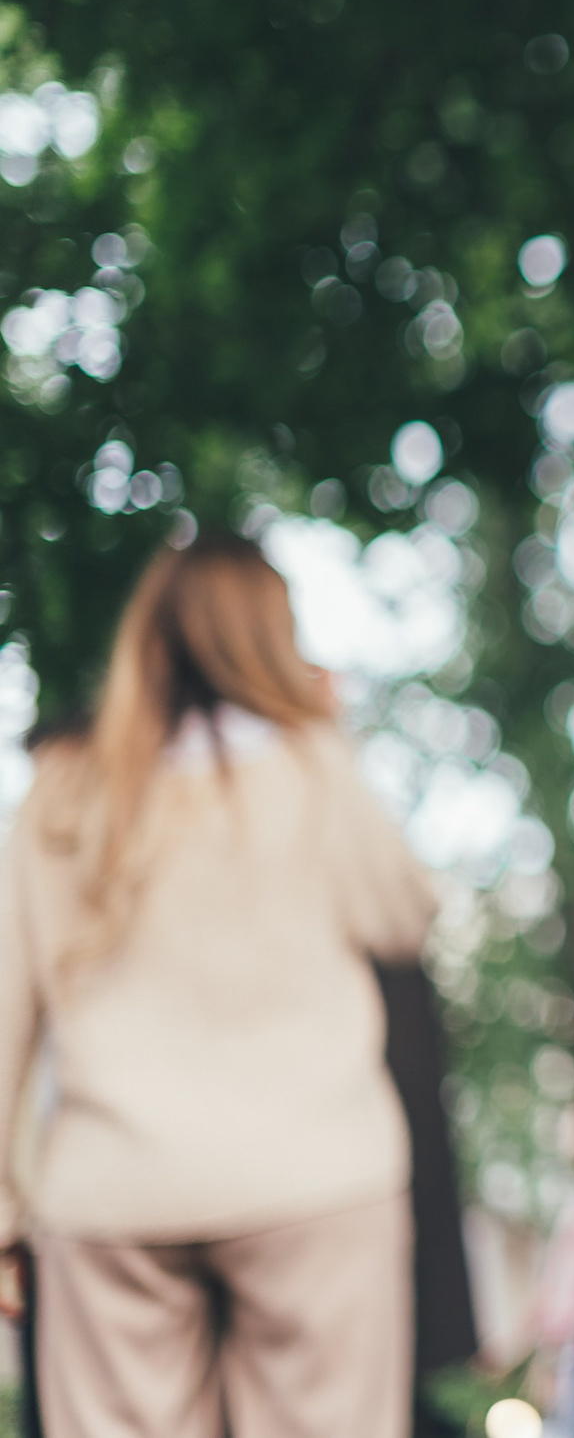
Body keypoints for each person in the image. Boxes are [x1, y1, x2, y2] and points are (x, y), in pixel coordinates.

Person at [0, 530, 439, 1438]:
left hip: (115, 1193)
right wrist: (328, 729)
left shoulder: (61, 795)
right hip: (316, 1179)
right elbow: (405, 912)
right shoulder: (313, 769)